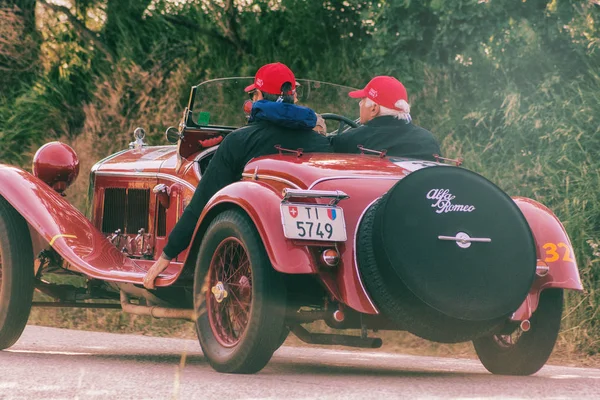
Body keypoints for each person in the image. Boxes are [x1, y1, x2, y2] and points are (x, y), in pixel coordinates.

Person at [143, 62, 331, 289]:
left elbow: (202, 203)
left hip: (248, 257)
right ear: (294, 98)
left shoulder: (239, 142)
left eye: (253, 94)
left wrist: (166, 255)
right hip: (319, 258)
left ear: (258, 96)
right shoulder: (321, 143)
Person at [330, 76, 441, 161]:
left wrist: (318, 126)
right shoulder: (429, 140)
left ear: (374, 109)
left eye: (362, 100)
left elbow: (320, 151)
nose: (360, 104)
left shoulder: (356, 138)